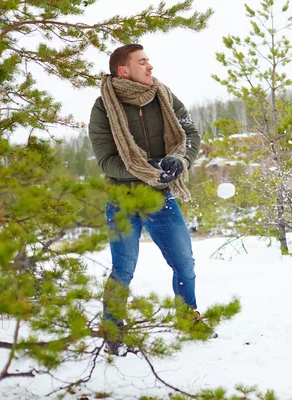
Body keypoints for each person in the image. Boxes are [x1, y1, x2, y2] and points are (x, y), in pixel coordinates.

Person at [88, 44, 202, 355]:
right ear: (123, 71)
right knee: (123, 269)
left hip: (160, 198)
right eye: (142, 62)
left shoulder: (163, 95)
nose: (150, 67)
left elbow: (190, 134)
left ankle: (188, 319)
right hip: (122, 200)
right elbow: (107, 161)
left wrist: (181, 162)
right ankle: (112, 330)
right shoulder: (103, 108)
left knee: (185, 264)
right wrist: (145, 169)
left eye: (149, 60)